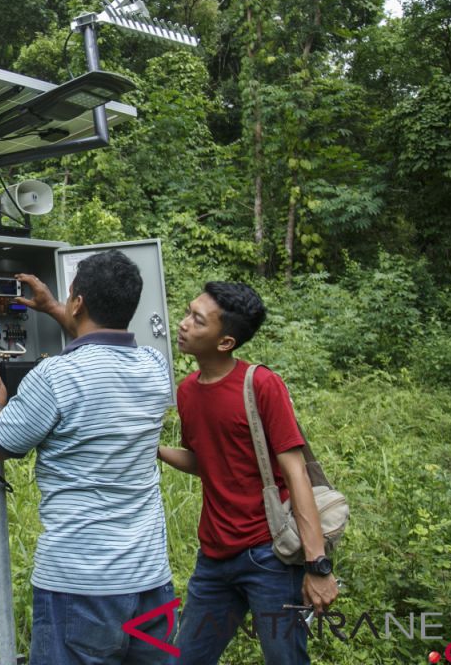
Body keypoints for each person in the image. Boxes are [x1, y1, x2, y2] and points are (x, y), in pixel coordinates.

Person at [0, 249, 177, 665]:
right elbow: (101, 349)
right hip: (152, 581)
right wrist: (53, 309)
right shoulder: (156, 368)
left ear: (78, 302)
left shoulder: (55, 376)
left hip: (80, 584)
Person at [158, 282, 339, 665]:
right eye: (189, 312)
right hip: (214, 557)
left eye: (197, 320)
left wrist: (317, 565)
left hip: (269, 556)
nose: (183, 323)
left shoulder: (260, 384)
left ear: (225, 342)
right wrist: (153, 450)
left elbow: (296, 474)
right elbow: (205, 461)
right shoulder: (187, 391)